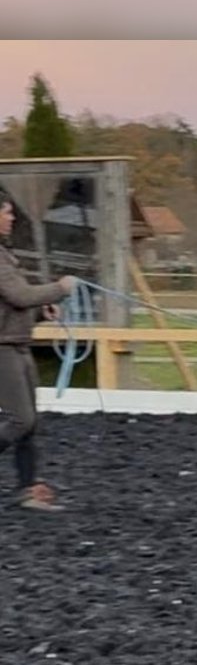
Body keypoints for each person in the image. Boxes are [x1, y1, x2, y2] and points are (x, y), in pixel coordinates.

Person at [0, 194, 80, 512]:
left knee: (31, 424)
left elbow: (15, 305)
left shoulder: (6, 256)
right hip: (2, 349)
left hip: (18, 344)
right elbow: (19, 295)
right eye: (5, 213)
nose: (11, 218)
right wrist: (61, 288)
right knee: (21, 420)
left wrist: (40, 311)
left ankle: (27, 490)